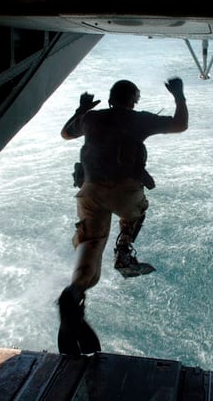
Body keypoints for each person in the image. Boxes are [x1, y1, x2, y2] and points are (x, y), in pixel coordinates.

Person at [57, 77, 188, 356]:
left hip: (90, 190)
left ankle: (74, 294)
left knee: (90, 244)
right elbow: (180, 125)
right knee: (137, 210)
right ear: (134, 100)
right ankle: (124, 251)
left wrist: (81, 110)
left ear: (110, 98)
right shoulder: (139, 120)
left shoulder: (91, 118)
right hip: (123, 190)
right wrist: (179, 96)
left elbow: (66, 134)